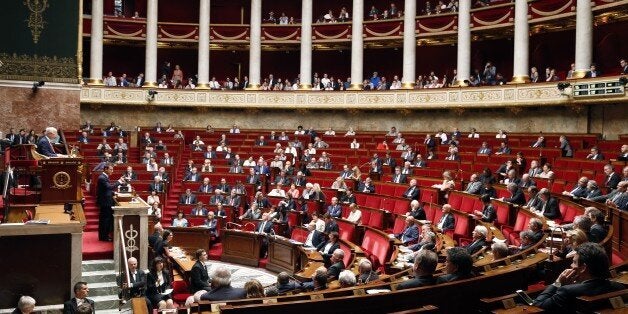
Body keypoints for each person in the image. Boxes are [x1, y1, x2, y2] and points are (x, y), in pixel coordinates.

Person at [533, 243, 623, 312]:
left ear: (583, 268)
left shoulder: (567, 291)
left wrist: (557, 283)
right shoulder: (619, 287)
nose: (571, 265)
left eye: (574, 262)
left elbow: (537, 306)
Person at [97, 165, 123, 241]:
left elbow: (106, 190)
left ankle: (104, 236)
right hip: (105, 203)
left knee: (105, 220)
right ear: (105, 169)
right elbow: (109, 187)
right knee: (105, 220)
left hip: (106, 201)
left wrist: (113, 193)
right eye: (111, 169)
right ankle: (104, 237)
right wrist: (119, 181)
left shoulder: (104, 177)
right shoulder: (102, 178)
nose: (112, 171)